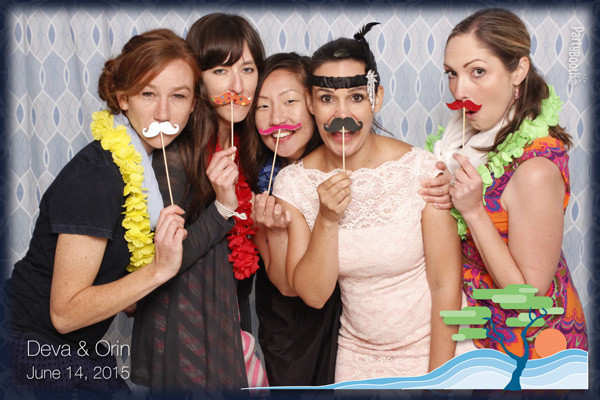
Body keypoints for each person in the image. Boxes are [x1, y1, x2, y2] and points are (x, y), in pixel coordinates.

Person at [271, 23, 472, 382]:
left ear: (376, 99)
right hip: (357, 356)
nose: (341, 115)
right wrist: (328, 220)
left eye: (356, 98)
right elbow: (314, 295)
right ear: (310, 104)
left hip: (440, 349)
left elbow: (446, 283)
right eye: (327, 99)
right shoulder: (294, 184)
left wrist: (440, 381)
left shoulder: (420, 169)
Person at [6, 28, 193, 392]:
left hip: (77, 344)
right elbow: (64, 314)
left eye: (179, 96)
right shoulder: (97, 175)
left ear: (193, 103)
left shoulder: (147, 174)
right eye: (147, 93)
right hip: (28, 343)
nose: (163, 111)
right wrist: (158, 269)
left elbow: (120, 299)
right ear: (123, 99)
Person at [434, 8, 587, 356]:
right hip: (481, 340)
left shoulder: (535, 168)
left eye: (478, 72)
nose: (460, 89)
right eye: (451, 74)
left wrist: (472, 212)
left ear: (518, 70)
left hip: (535, 351)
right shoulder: (469, 143)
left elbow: (527, 298)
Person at [130, 13, 267, 391]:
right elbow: (159, 264)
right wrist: (223, 208)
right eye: (221, 71)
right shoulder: (176, 155)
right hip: (181, 336)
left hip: (228, 326)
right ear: (198, 80)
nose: (237, 85)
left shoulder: (252, 148)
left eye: (248, 68)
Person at [250, 52, 342, 385]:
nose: (277, 117)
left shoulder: (346, 162)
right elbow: (286, 286)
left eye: (290, 101)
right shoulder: (254, 181)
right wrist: (273, 231)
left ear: (315, 105)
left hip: (348, 319)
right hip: (288, 329)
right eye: (262, 106)